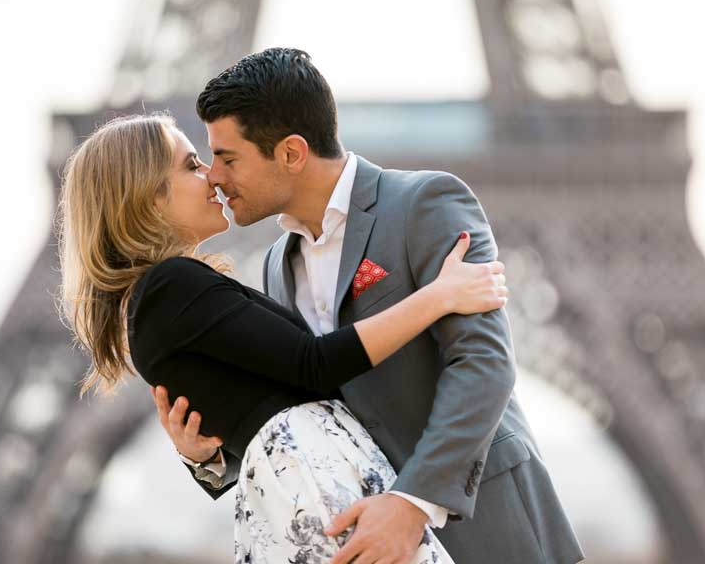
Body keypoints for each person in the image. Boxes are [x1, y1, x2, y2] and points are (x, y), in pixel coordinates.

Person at [155, 47, 584, 563]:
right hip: (368, 541)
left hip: (489, 530)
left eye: (228, 158)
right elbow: (308, 418)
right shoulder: (274, 264)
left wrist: (412, 504)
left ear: (291, 153)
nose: (215, 176)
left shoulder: (424, 203)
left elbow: (484, 365)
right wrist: (210, 457)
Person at [58, 112, 510, 563]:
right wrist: (438, 297)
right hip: (317, 484)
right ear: (146, 195)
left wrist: (205, 457)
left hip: (300, 490)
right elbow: (313, 365)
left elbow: (251, 397)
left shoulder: (158, 298)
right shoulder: (171, 285)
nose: (212, 176)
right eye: (192, 165)